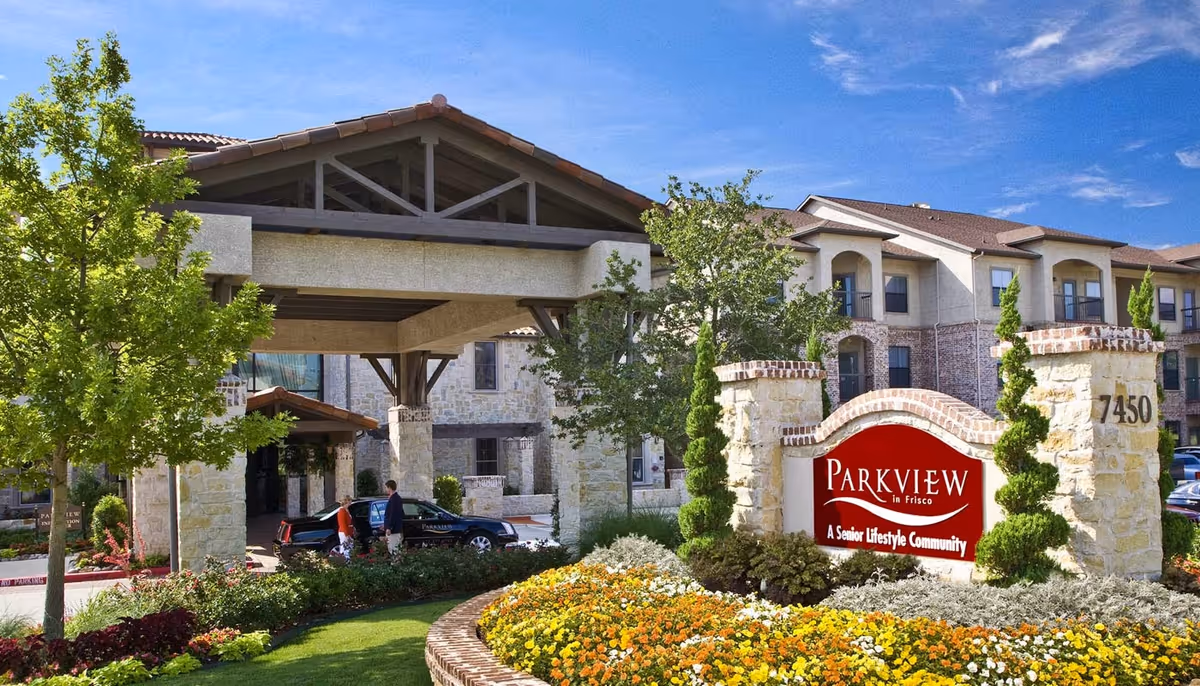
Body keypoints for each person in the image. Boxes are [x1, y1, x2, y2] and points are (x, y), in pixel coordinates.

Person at [383, 480, 404, 555]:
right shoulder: (395, 498)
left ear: (390, 488)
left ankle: (396, 565)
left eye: (386, 487)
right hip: (394, 528)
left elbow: (393, 514)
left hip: (393, 530)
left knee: (394, 548)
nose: (386, 490)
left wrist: (389, 527)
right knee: (393, 548)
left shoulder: (394, 499)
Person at [335, 495, 354, 560]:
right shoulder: (342, 511)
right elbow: (342, 524)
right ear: (347, 501)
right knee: (345, 548)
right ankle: (345, 561)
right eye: (350, 500)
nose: (351, 502)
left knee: (349, 548)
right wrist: (347, 535)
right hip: (344, 532)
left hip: (348, 532)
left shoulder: (346, 510)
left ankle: (348, 561)